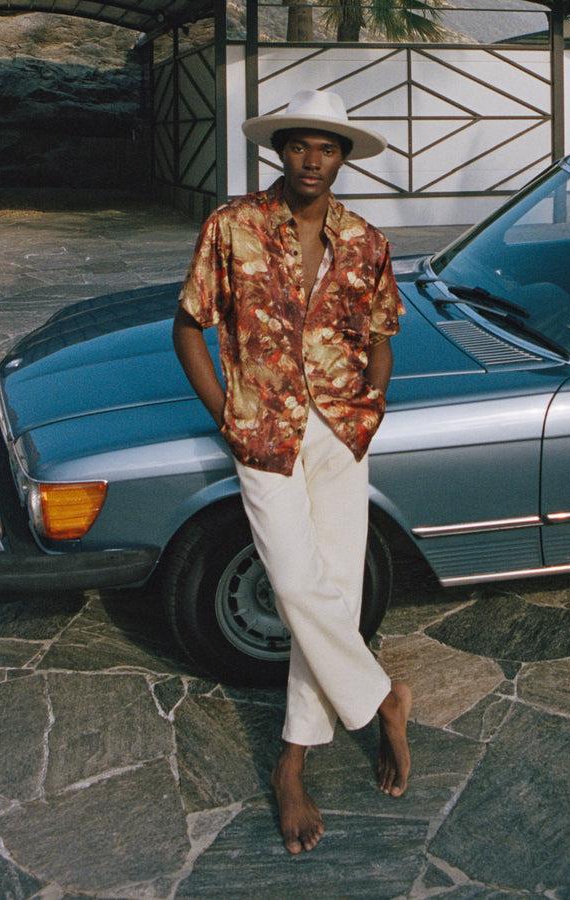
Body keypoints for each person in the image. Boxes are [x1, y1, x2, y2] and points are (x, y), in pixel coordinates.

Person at [173, 89, 412, 855]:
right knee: (296, 586)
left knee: (335, 591)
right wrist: (227, 414)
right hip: (263, 432)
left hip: (341, 433)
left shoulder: (365, 241)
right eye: (300, 144)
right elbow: (188, 327)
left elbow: (381, 336)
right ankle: (383, 699)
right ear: (280, 151)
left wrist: (372, 404)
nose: (313, 159)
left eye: (327, 148)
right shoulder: (232, 226)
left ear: (343, 158)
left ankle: (292, 762)